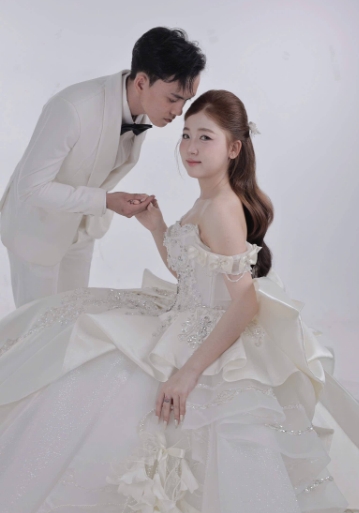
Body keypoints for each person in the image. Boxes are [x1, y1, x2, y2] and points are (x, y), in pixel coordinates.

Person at [0, 90, 359, 513]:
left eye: (205, 137)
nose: (190, 147)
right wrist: (157, 226)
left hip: (208, 331)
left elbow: (244, 304)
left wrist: (188, 373)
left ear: (234, 148)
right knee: (76, 324)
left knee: (97, 359)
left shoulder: (223, 208)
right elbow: (191, 272)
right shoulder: (206, 201)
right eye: (186, 135)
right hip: (182, 314)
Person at [0, 27, 206, 308]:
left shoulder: (143, 110)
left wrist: (108, 202)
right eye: (173, 98)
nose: (179, 111)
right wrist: (106, 200)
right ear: (141, 82)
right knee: (36, 327)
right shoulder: (72, 108)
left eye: (186, 100)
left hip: (82, 231)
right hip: (37, 232)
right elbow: (30, 188)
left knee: (73, 319)